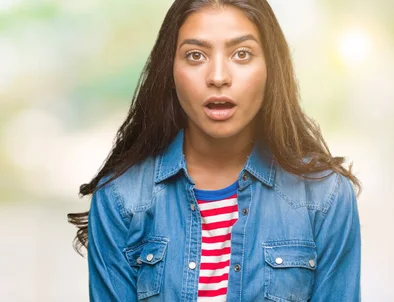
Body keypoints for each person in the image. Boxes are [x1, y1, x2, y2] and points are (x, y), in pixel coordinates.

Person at [67, 0, 362, 301]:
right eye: (195, 55)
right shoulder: (120, 198)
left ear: (272, 68)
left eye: (242, 54)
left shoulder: (326, 196)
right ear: (170, 70)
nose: (218, 77)